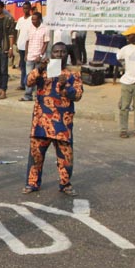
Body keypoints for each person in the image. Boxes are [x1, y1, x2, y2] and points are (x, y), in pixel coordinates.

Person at [22, 42, 83, 196]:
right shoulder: (42, 73)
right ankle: (32, 183)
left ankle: (65, 184)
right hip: (41, 122)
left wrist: (65, 86)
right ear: (51, 54)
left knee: (65, 157)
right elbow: (27, 82)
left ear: (67, 55)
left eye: (63, 52)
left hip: (63, 124)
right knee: (36, 155)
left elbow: (77, 95)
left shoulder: (73, 75)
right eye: (56, 52)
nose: (60, 55)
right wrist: (40, 68)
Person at [21, 12, 50, 102]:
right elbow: (27, 42)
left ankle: (37, 95)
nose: (33, 21)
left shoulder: (45, 29)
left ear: (39, 19)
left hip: (39, 57)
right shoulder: (30, 28)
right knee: (29, 76)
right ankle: (27, 95)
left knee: (39, 77)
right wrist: (26, 54)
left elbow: (46, 43)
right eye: (32, 19)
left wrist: (41, 55)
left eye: (35, 19)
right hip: (30, 56)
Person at [14, 2, 33, 91]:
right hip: (21, 45)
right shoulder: (20, 20)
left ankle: (28, 84)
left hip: (29, 46)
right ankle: (22, 83)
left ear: (30, 9)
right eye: (24, 8)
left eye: (27, 8)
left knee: (28, 66)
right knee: (22, 66)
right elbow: (18, 32)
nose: (25, 10)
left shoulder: (32, 19)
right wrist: (17, 43)